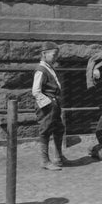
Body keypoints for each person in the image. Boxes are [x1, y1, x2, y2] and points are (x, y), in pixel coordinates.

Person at [32, 42, 69, 171]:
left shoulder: (49, 67)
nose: (56, 57)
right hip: (47, 106)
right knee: (45, 130)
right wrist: (49, 103)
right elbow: (36, 91)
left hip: (54, 104)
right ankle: (45, 161)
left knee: (59, 128)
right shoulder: (41, 69)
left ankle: (58, 157)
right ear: (44, 54)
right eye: (54, 54)